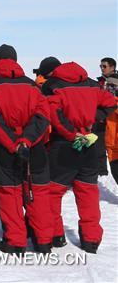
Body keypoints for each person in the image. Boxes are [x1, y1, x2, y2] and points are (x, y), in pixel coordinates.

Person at [0, 44, 52, 254]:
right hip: (34, 147)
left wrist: (14, 142)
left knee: (8, 194)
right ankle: (44, 241)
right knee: (38, 193)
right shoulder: (31, 85)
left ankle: (15, 241)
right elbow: (42, 115)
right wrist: (27, 140)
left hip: (6, 148)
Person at [43, 59, 116, 253]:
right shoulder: (91, 85)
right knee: (88, 193)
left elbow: (54, 113)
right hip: (89, 143)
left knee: (53, 193)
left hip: (63, 145)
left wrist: (70, 133)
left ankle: (56, 235)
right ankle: (91, 240)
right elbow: (111, 102)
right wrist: (94, 118)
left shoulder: (53, 86)